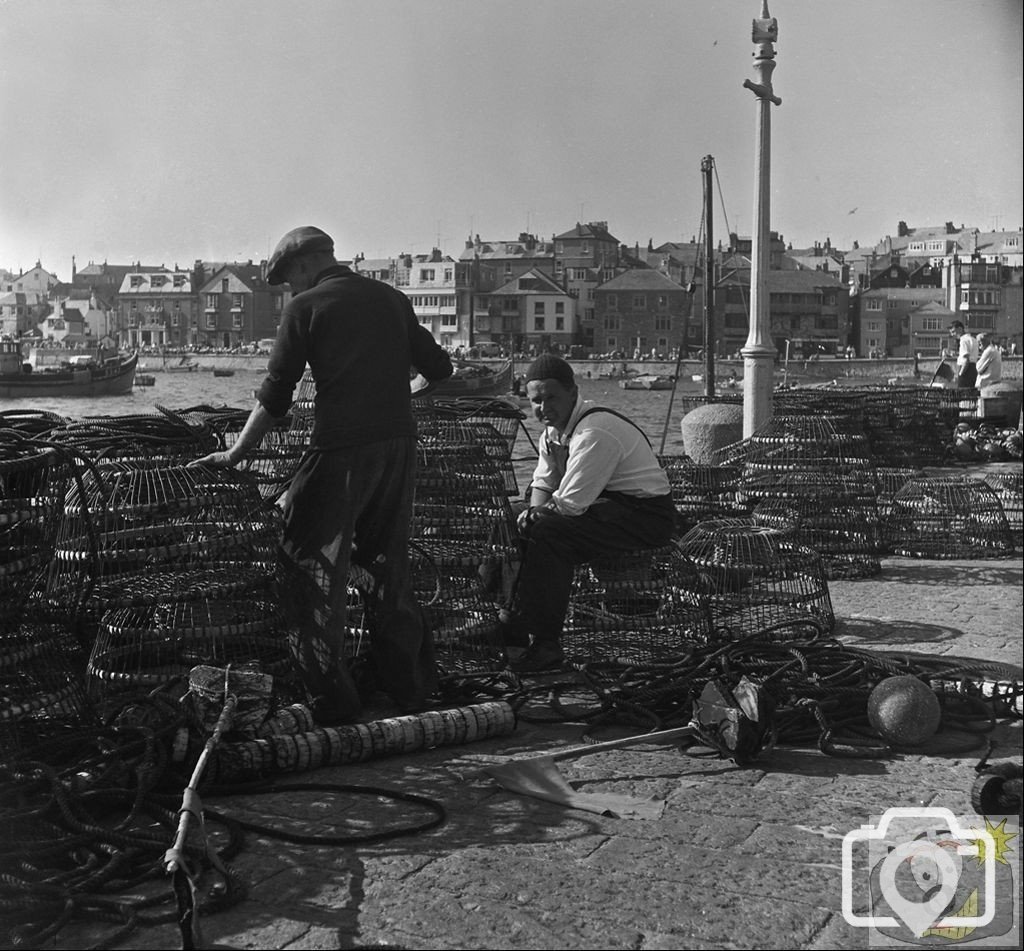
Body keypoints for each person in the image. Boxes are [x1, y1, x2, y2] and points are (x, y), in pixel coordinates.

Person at [192, 225, 453, 724]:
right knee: (385, 568)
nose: (291, 290)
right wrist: (398, 404)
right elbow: (439, 371)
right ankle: (413, 691)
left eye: (290, 280)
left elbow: (276, 393)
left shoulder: (305, 308)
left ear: (303, 266)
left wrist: (238, 452)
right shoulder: (392, 298)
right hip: (399, 447)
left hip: (341, 450)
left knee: (306, 567)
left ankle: (334, 703)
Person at [501, 354, 676, 673]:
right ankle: (506, 619)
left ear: (573, 392)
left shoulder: (594, 432)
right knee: (507, 518)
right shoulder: (550, 434)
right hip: (602, 509)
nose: (544, 408)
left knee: (548, 534)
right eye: (536, 401)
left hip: (644, 517)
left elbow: (568, 505)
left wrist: (533, 520)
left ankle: (546, 643)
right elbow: (543, 483)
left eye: (551, 397)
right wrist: (524, 517)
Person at [949, 320, 979, 388]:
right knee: (971, 394)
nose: (952, 334)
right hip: (973, 369)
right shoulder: (973, 339)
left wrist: (960, 374)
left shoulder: (963, 341)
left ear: (960, 329)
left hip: (966, 371)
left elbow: (966, 360)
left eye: (953, 332)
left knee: (962, 394)